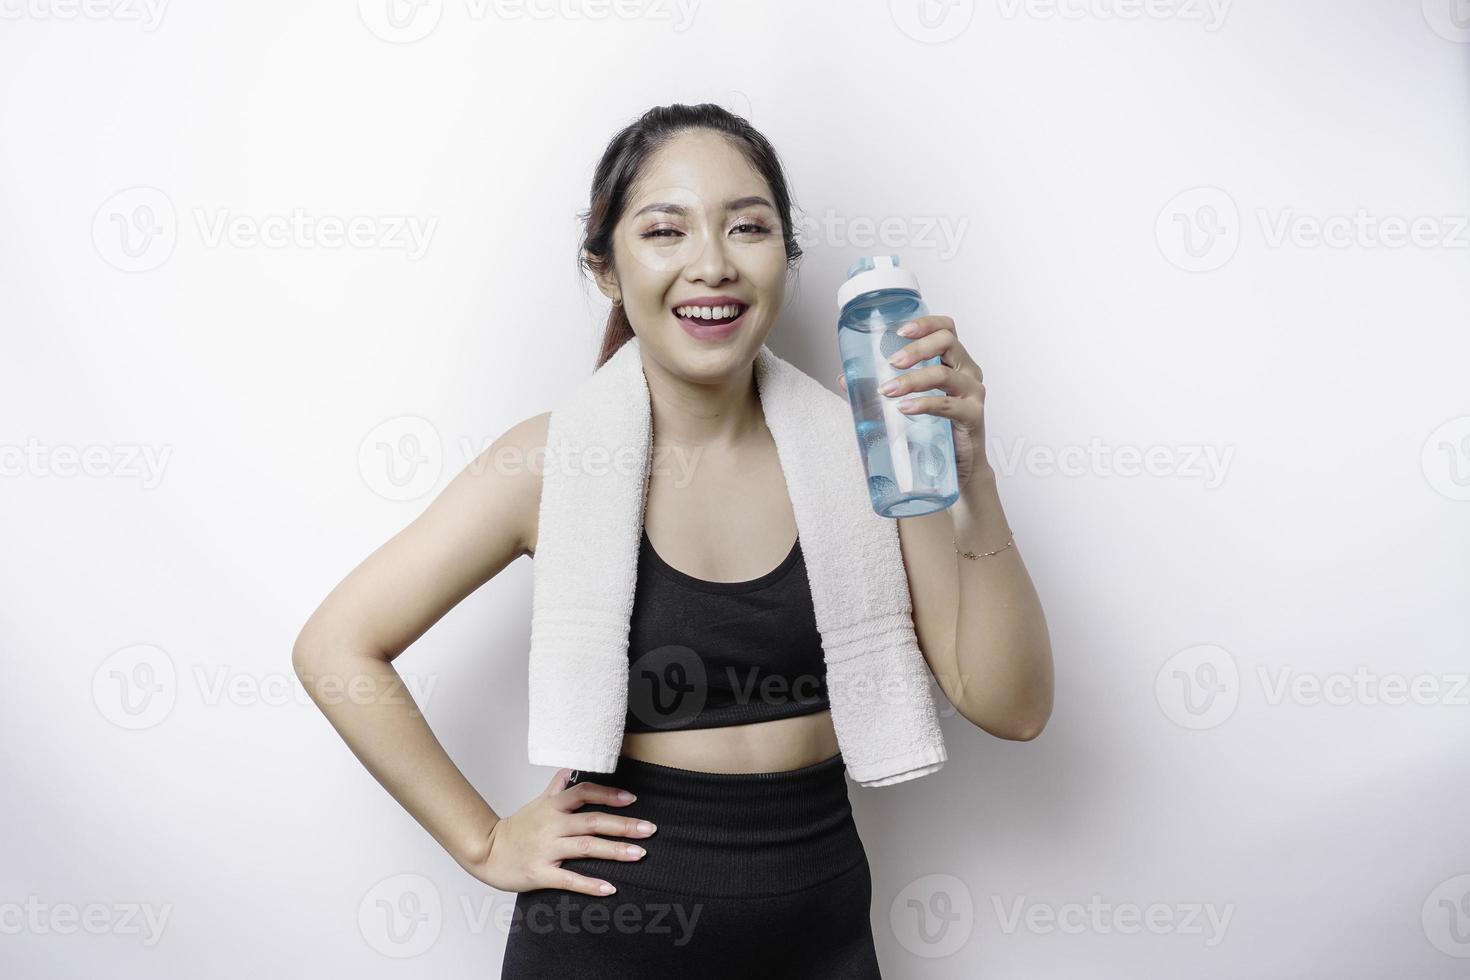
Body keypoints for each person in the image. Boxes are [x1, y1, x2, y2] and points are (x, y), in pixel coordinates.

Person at [292, 102, 1054, 978]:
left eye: (748, 227)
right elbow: (336, 646)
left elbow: (1012, 706)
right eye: (665, 230)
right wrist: (485, 841)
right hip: (607, 937)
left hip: (820, 932)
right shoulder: (550, 463)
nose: (713, 264)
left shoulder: (872, 455)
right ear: (607, 269)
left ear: (784, 257)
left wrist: (974, 479)